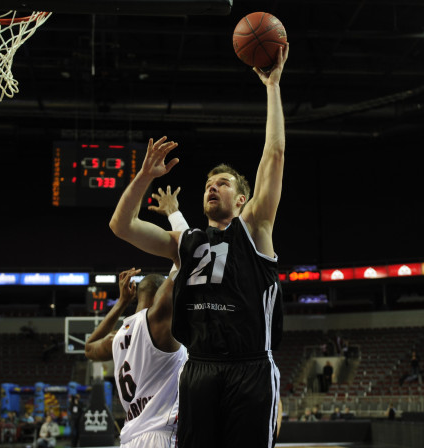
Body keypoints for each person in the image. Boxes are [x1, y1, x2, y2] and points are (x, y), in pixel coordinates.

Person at [108, 43, 289, 448]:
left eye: (223, 183)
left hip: (250, 367)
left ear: (241, 199)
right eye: (209, 182)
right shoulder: (185, 242)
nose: (212, 186)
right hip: (201, 369)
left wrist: (272, 86)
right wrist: (143, 178)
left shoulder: (255, 228)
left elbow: (274, 155)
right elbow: (122, 226)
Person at [85, 268, 188, 448]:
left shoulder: (116, 338)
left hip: (130, 438)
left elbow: (88, 348)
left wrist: (122, 301)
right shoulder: (158, 323)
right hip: (161, 434)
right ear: (160, 296)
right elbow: (177, 271)